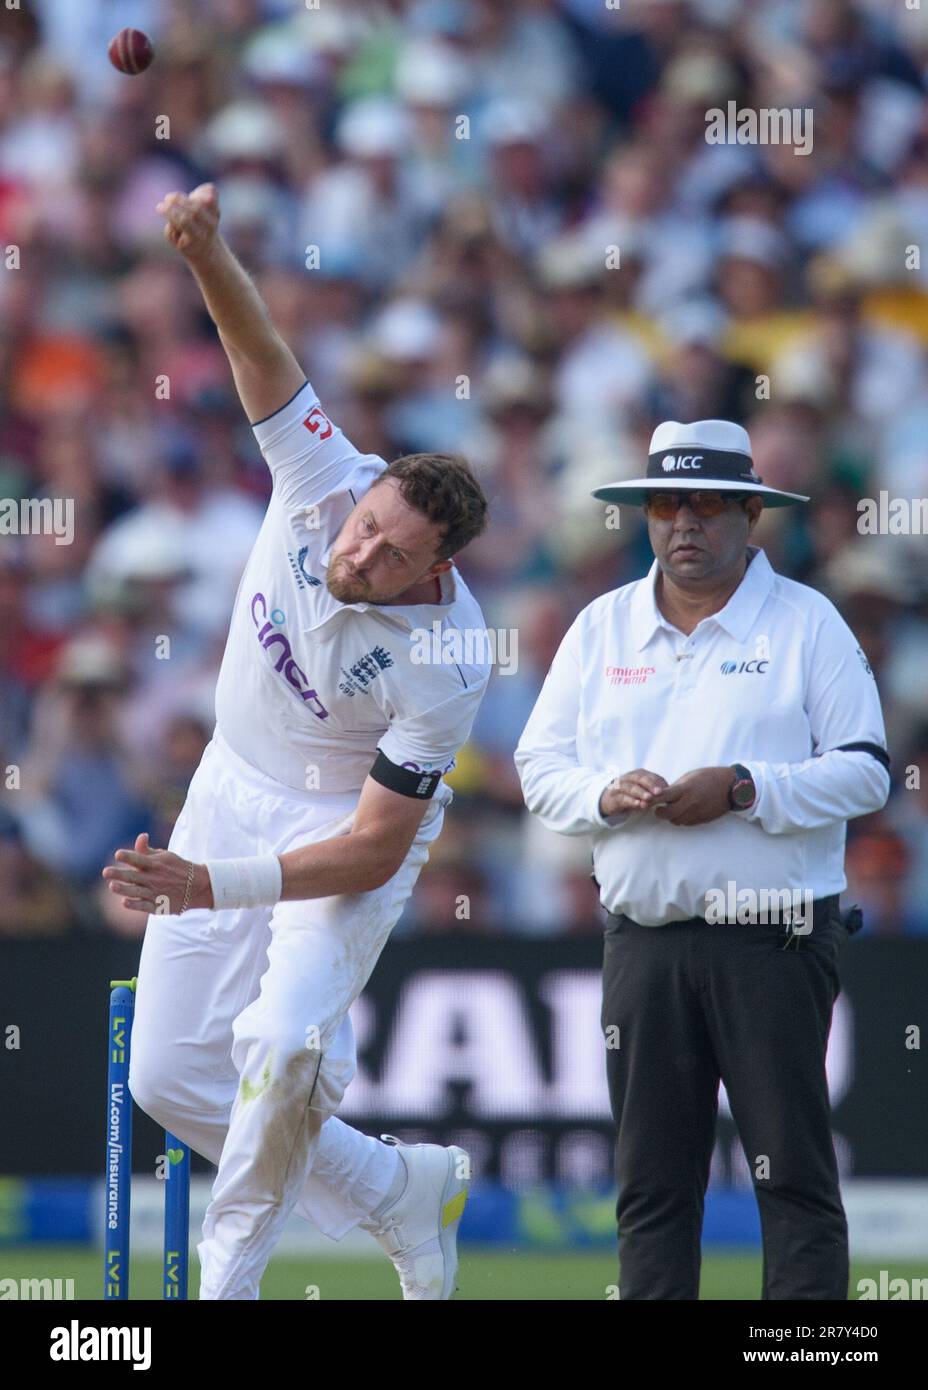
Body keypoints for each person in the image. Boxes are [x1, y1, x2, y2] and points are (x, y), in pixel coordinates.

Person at [103, 185, 491, 1301]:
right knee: (174, 1074)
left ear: (438, 572)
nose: (357, 554)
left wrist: (211, 883)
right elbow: (254, 344)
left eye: (387, 556)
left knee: (276, 1048)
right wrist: (205, 248)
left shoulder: (450, 660)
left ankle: (226, 1292)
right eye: (366, 526)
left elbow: (373, 848)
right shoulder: (324, 472)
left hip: (340, 839)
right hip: (231, 783)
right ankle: (392, 1188)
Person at [514, 419, 891, 1300]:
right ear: (644, 515)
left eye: (709, 503)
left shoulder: (807, 622)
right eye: (666, 504)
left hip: (773, 938)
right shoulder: (601, 627)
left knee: (792, 1177)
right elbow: (541, 770)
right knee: (652, 1187)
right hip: (642, 939)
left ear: (750, 516)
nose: (685, 521)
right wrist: (609, 794)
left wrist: (746, 789)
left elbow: (868, 771)